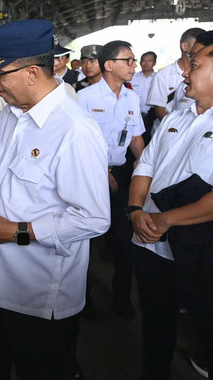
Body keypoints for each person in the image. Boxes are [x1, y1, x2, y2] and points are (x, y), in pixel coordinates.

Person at [0, 19, 110, 379]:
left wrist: (17, 231)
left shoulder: (74, 130)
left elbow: (93, 218)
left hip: (38, 297)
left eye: (0, 74)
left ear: (30, 73)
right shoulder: (15, 114)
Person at [129, 44, 213, 380]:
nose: (184, 71)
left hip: (196, 245)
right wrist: (136, 210)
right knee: (156, 317)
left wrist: (167, 219)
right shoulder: (177, 116)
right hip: (149, 239)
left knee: (204, 315)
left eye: (194, 65)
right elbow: (145, 163)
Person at [77, 40, 145, 319]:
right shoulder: (86, 98)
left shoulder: (131, 98)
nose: (134, 65)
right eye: (128, 60)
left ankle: (121, 296)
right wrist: (102, 173)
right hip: (91, 175)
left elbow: (136, 137)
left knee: (123, 240)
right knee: (87, 240)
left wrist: (145, 168)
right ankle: (84, 298)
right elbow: (79, 144)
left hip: (121, 175)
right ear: (109, 65)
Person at [147, 27, 204, 121]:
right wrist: (175, 131)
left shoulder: (206, 74)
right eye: (197, 45)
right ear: (184, 46)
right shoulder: (163, 75)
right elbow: (159, 110)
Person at [130, 51, 157, 144]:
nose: (146, 63)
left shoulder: (159, 78)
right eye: (143, 61)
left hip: (152, 116)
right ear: (140, 63)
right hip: (135, 115)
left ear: (154, 63)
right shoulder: (132, 77)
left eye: (149, 60)